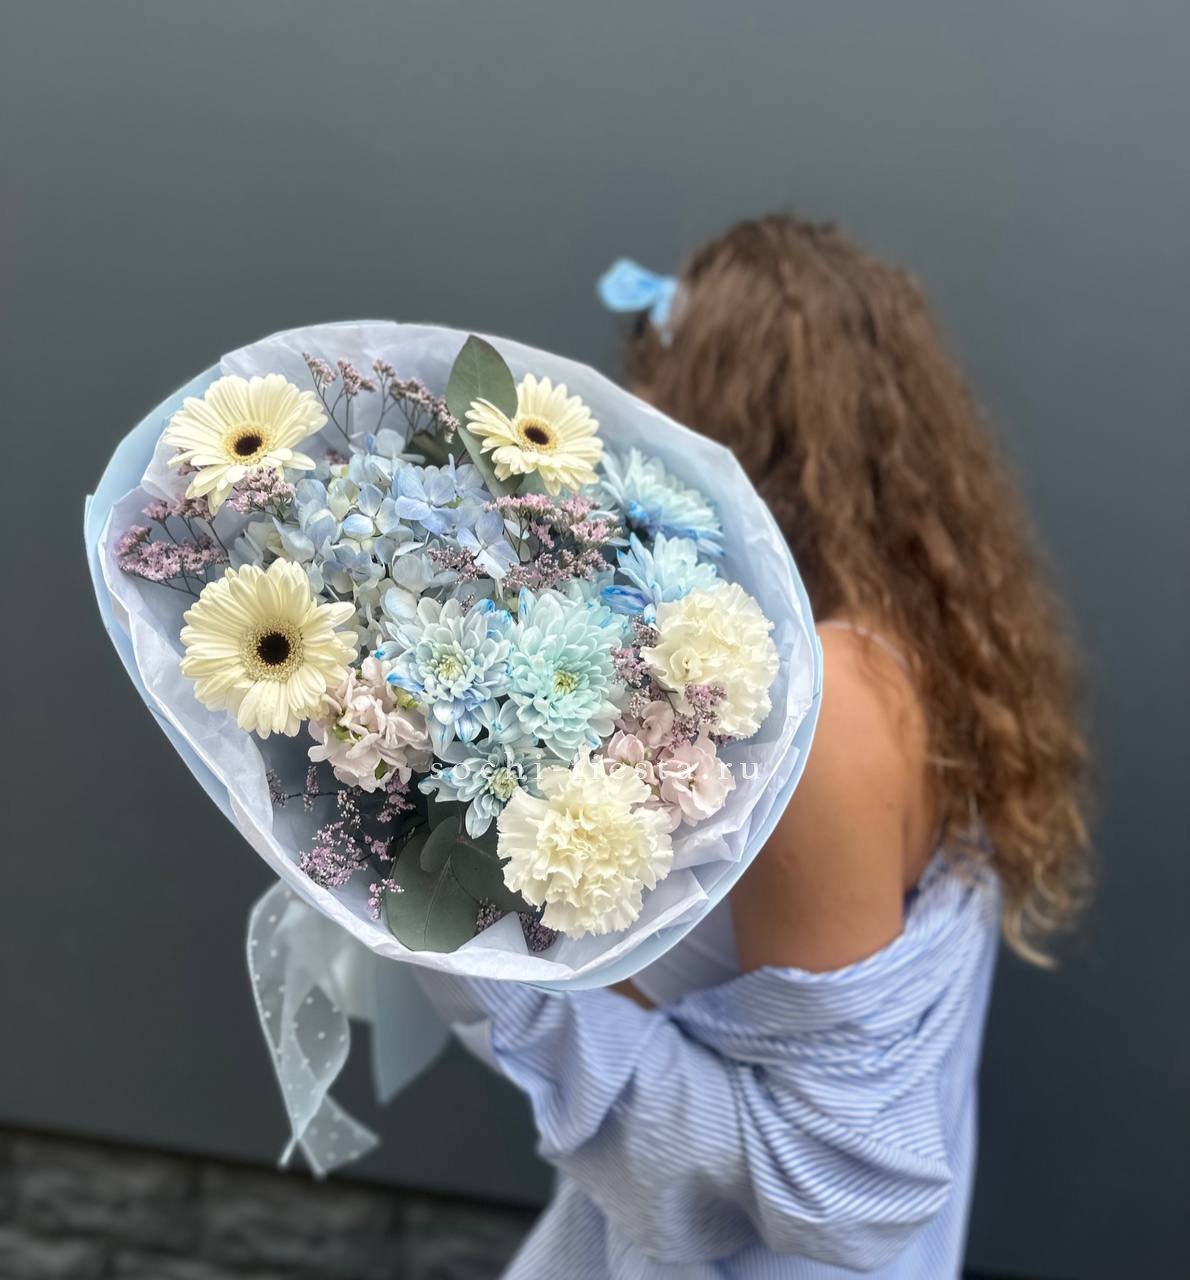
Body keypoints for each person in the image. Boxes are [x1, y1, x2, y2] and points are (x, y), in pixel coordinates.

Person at [420, 214, 1091, 1277]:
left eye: (650, 396)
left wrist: (469, 943)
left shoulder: (835, 705)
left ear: (713, 421)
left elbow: (819, 1170)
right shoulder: (926, 645)